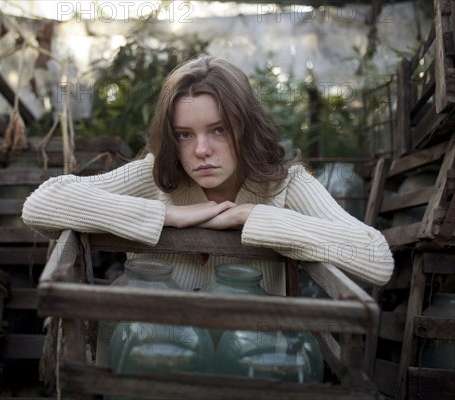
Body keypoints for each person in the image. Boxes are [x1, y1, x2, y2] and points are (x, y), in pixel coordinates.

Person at [22, 55, 394, 295]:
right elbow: (41, 205)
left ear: (245, 128)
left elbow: (376, 257)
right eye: (184, 135)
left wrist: (256, 217)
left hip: (243, 367)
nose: (201, 150)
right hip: (146, 360)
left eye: (219, 130)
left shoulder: (284, 185)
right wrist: (168, 215)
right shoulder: (157, 176)